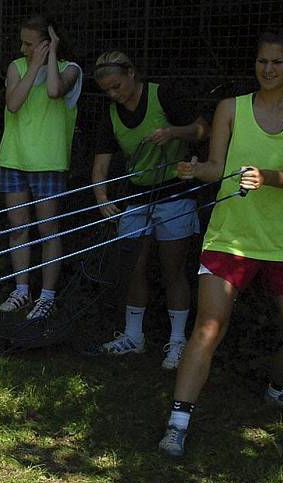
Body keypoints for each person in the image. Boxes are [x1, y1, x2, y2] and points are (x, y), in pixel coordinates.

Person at [158, 26, 283, 457]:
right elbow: (217, 168)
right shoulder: (231, 107)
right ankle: (177, 423)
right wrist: (195, 172)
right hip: (229, 236)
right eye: (262, 61)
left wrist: (266, 177)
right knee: (208, 327)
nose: (268, 69)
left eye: (277, 62)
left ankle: (279, 389)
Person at [88, 50, 210, 369]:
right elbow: (99, 166)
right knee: (133, 266)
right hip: (136, 196)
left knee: (173, 268)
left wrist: (172, 133)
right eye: (107, 91)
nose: (114, 94)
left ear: (132, 74)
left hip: (175, 194)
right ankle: (133, 336)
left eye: (117, 85)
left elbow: (202, 130)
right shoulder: (111, 115)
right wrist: (102, 198)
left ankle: (179, 341)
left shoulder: (163, 96)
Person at [0, 15, 82, 320]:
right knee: (19, 229)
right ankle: (22, 290)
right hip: (14, 159)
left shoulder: (70, 69)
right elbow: (14, 104)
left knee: (48, 229)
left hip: (49, 163)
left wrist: (52, 58)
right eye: (22, 42)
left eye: (29, 44)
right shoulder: (17, 67)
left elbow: (54, 91)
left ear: (48, 43)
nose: (22, 48)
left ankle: (47, 296)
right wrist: (33, 64)